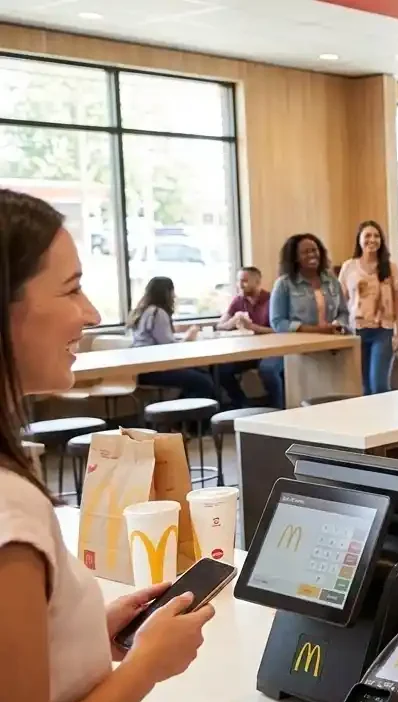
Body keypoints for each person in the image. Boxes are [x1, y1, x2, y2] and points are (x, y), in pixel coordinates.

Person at [0, 188, 214, 702]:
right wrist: (147, 665)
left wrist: (80, 633)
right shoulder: (12, 507)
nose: (91, 314)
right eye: (71, 289)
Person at [266, 233, 350, 408]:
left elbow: (343, 312)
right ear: (295, 257)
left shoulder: (332, 281)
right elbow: (277, 322)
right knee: (305, 403)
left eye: (315, 250)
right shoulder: (284, 284)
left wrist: (338, 325)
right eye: (305, 252)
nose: (312, 255)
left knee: (333, 402)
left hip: (331, 350)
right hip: (299, 354)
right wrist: (316, 330)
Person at [339, 221, 398, 395]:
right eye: (367, 235)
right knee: (364, 387)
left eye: (376, 236)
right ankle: (370, 422)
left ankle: (387, 420)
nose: (372, 240)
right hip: (356, 332)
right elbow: (341, 302)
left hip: (383, 331)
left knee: (379, 385)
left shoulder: (391, 268)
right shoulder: (348, 267)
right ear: (359, 239)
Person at [127, 277, 218, 400]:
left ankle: (184, 413)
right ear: (166, 293)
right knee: (203, 382)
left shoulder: (143, 311)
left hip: (140, 369)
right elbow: (170, 348)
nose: (175, 296)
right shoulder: (158, 313)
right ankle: (185, 415)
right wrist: (188, 337)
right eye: (172, 291)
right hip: (153, 369)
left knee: (202, 374)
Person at [214, 266, 278, 408]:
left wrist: (253, 328)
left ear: (257, 282)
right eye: (238, 281)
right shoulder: (238, 301)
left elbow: (278, 330)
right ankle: (242, 404)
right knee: (222, 370)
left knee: (268, 370)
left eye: (245, 281)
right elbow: (219, 325)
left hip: (270, 351)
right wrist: (233, 321)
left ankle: (277, 407)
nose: (240, 285)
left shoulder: (271, 300)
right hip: (247, 351)